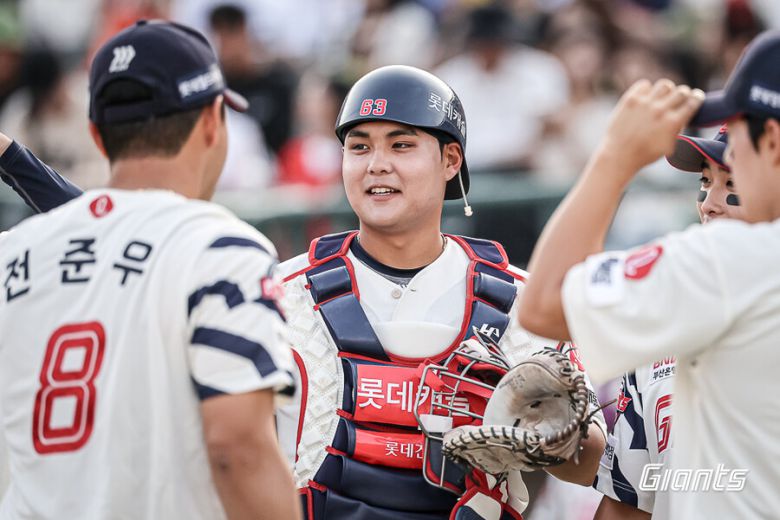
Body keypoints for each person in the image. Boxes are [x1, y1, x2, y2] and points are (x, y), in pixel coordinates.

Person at [0, 64, 606, 519]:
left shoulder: (521, 300)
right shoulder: (280, 288)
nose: (376, 164)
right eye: (359, 146)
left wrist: (554, 440)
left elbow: (591, 465)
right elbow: (150, 245)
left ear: (451, 161)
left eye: (401, 145)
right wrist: (15, 159)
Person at [0, 20, 299, 519]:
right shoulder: (222, 250)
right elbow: (237, 450)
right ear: (212, 121)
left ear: (97, 136)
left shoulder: (13, 252)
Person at [518, 29, 780, 519]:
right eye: (705, 181)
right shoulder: (692, 307)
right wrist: (577, 452)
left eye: (735, 153)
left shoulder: (734, 259)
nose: (710, 201)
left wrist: (615, 157)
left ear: (772, 142)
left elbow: (543, 303)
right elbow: (643, 495)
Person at [593, 125, 743, 519]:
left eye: (732, 183)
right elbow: (628, 504)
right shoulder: (661, 327)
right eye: (705, 182)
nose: (710, 204)